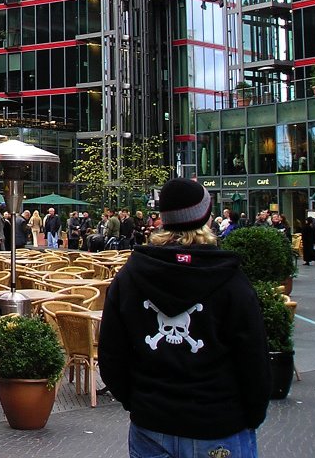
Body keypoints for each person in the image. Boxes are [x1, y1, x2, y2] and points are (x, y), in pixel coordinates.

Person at [99, 178, 271, 458]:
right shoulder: (231, 280)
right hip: (219, 424)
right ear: (205, 216)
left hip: (152, 425)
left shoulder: (130, 276)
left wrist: (138, 402)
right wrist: (250, 415)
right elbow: (254, 358)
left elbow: (111, 354)